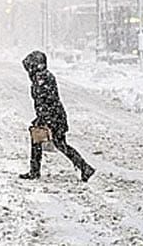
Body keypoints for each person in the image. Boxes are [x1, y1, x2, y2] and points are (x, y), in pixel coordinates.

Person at [19, 50, 95, 182]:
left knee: (52, 143)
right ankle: (84, 167)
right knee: (55, 143)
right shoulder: (42, 77)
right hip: (53, 115)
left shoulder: (42, 79)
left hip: (53, 117)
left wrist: (45, 119)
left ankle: (35, 171)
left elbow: (48, 100)